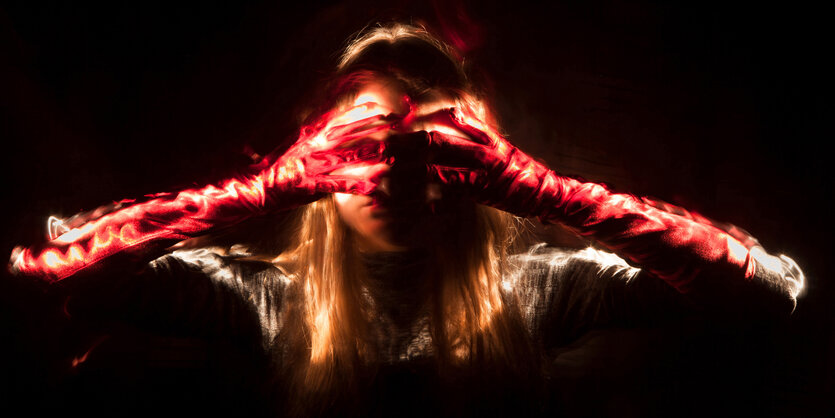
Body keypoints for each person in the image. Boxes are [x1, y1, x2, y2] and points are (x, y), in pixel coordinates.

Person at [8, 23, 804, 417]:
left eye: (430, 150)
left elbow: (767, 296)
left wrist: (548, 192)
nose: (391, 173)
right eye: (361, 144)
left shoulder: (536, 290)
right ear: (315, 154)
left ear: (481, 166)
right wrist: (255, 193)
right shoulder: (267, 298)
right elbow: (43, 280)